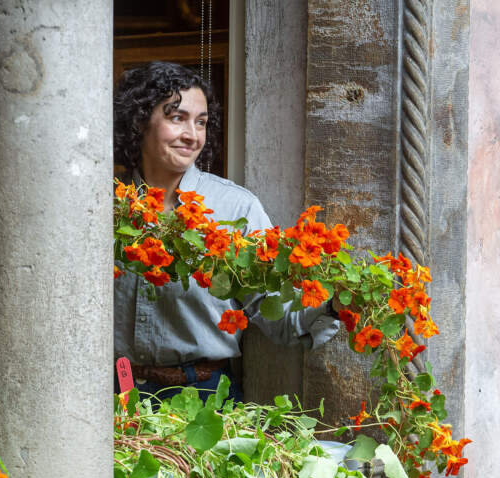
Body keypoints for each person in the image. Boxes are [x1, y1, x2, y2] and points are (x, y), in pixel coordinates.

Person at [113, 61, 339, 401]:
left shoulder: (235, 209)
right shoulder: (103, 205)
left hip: (204, 397)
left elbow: (274, 311)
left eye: (201, 122)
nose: (192, 135)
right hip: (113, 394)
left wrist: (335, 304)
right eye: (177, 118)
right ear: (139, 119)